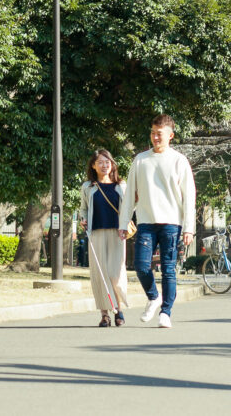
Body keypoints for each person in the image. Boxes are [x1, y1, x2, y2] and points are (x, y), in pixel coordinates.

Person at [119, 114, 195, 329]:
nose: (155, 137)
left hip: (171, 222)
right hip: (146, 222)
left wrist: (189, 228)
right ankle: (154, 296)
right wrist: (124, 222)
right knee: (141, 265)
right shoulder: (140, 159)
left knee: (168, 269)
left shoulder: (179, 160)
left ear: (170, 135)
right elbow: (129, 195)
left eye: (159, 134)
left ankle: (166, 312)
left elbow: (189, 196)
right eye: (152, 133)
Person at [78, 149, 130, 327]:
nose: (104, 165)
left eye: (107, 161)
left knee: (116, 273)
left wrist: (125, 223)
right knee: (100, 274)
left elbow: (131, 207)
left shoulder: (121, 186)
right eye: (100, 162)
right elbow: (83, 208)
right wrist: (83, 219)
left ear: (112, 164)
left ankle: (118, 308)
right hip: (96, 233)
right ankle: (105, 315)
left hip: (118, 234)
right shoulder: (87, 187)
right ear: (93, 165)